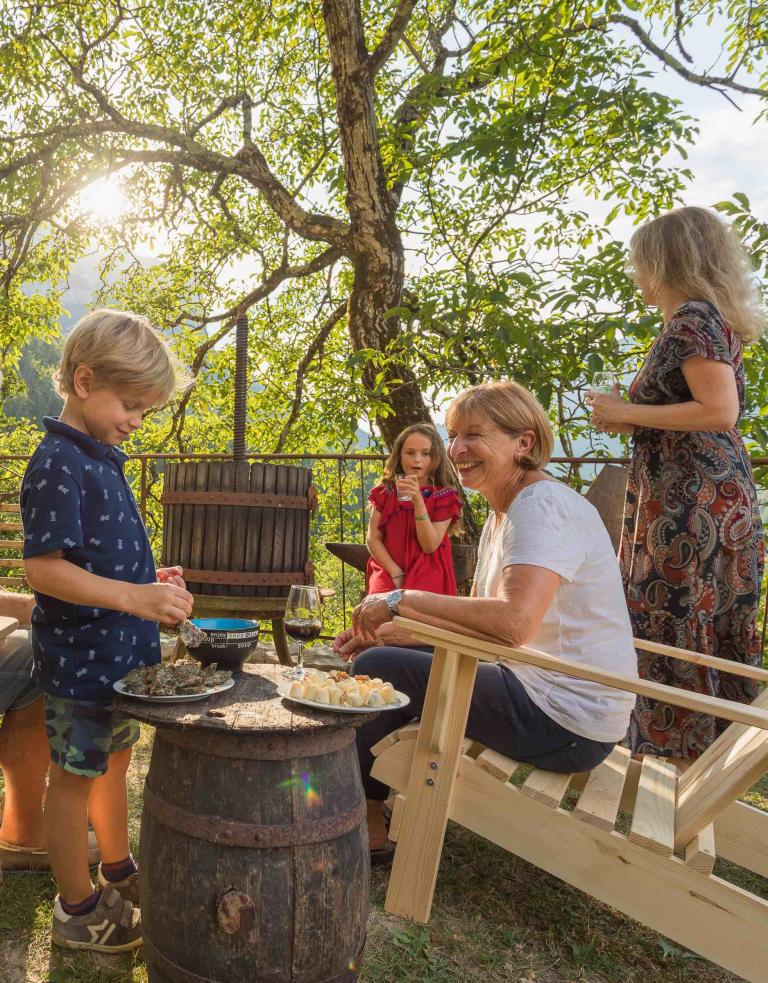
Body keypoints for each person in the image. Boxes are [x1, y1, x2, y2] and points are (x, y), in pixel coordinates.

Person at [335, 381, 638, 858]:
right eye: (453, 435)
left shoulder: (541, 507)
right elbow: (483, 626)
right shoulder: (506, 513)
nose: (456, 449)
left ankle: (366, 816)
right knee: (386, 653)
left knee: (388, 669)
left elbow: (513, 625)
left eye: (474, 435)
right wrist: (400, 631)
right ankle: (370, 798)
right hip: (545, 692)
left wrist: (399, 599)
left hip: (562, 720)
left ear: (525, 443)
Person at [21, 309, 193, 952]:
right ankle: (76, 907)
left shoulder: (99, 457)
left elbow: (98, 554)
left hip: (117, 658)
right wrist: (131, 595)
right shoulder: (56, 462)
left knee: (114, 763)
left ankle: (117, 868)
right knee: (73, 779)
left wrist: (152, 577)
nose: (136, 421)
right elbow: (44, 569)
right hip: (80, 661)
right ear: (86, 381)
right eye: (131, 404)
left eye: (146, 412)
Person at [588, 206, 765, 765]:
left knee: (675, 612)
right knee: (696, 620)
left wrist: (629, 413)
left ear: (664, 261)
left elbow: (719, 411)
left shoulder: (692, 318)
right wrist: (631, 413)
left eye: (641, 261)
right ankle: (700, 764)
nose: (637, 273)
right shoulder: (707, 318)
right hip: (701, 494)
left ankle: (679, 769)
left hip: (690, 503)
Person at [366, 423, 462, 596]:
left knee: (416, 616)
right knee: (379, 610)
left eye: (425, 453)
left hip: (428, 570)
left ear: (436, 457)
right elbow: (373, 538)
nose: (417, 459)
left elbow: (429, 546)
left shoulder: (444, 497)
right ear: (399, 455)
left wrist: (418, 502)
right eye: (410, 453)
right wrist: (395, 572)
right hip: (388, 568)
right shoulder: (385, 491)